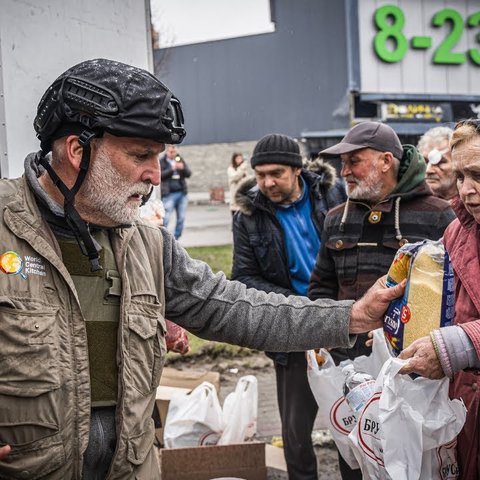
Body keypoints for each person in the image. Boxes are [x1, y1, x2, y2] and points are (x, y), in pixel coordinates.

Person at [0, 58, 404, 480]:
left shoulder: (147, 245)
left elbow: (233, 307)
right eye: (141, 155)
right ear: (77, 151)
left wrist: (350, 316)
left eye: (158, 157)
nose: (155, 175)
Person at [308, 121, 455, 480]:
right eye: (343, 163)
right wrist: (324, 343)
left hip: (415, 375)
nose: (344, 171)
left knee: (414, 465)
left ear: (386, 160)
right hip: (350, 371)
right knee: (356, 459)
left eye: (354, 161)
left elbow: (456, 296)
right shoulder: (335, 219)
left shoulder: (440, 215)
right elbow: (321, 288)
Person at [231, 133, 346, 480]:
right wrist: (299, 309)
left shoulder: (333, 195)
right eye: (261, 174)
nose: (267, 182)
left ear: (297, 170)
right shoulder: (248, 216)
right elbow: (245, 278)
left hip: (344, 321)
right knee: (296, 433)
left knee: (353, 419)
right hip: (292, 328)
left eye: (276, 173)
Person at [399, 118, 480, 479]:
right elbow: (450, 307)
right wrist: (401, 326)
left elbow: (460, 336)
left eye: (478, 175)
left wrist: (461, 345)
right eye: (461, 177)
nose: (467, 191)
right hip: (464, 407)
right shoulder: (455, 230)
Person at [417, 125, 458, 201]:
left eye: (439, 162)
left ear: (458, 165)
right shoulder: (410, 205)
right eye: (425, 161)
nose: (428, 170)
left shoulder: (472, 208)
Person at [160, 144, 191, 239]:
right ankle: (163, 238)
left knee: (181, 218)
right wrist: (171, 169)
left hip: (182, 193)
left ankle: (176, 239)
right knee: (166, 218)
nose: (173, 153)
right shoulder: (162, 161)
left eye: (174, 151)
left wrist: (183, 168)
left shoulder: (179, 159)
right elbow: (160, 175)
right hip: (169, 194)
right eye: (171, 152)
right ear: (167, 151)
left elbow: (189, 174)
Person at [227, 152, 250, 217]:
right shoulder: (231, 169)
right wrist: (242, 167)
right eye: (238, 158)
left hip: (243, 199)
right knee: (236, 220)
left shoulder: (243, 170)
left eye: (241, 158)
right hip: (235, 200)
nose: (240, 160)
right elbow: (235, 177)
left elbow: (246, 182)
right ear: (234, 159)